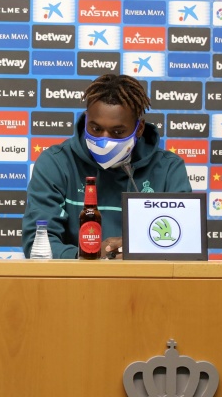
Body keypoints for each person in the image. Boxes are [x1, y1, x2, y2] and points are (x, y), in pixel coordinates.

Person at [22, 74, 191, 259]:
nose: (104, 140)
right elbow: (38, 242)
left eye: (117, 132)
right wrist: (86, 257)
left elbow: (185, 244)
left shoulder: (169, 169)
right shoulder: (55, 163)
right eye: (95, 129)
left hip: (143, 277)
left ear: (139, 129)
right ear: (86, 120)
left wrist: (138, 251)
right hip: (76, 276)